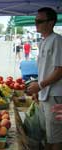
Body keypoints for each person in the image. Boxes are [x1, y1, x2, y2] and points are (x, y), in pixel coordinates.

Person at [27, 7, 62, 150]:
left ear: (51, 22)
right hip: (46, 95)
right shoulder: (43, 42)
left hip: (54, 95)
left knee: (56, 137)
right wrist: (38, 89)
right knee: (49, 134)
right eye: (36, 21)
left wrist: (40, 86)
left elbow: (60, 70)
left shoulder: (57, 41)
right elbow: (45, 70)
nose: (36, 24)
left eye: (39, 21)